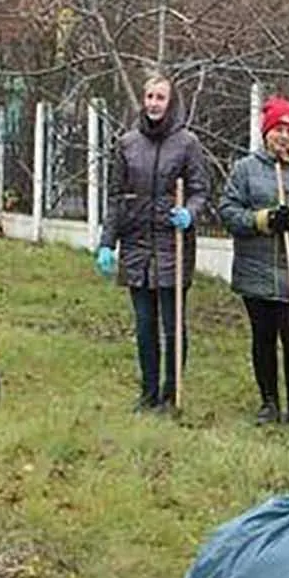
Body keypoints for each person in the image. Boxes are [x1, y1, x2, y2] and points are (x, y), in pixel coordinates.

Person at [215, 96, 289, 425]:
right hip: (255, 270)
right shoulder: (245, 170)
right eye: (277, 129)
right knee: (263, 338)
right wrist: (262, 220)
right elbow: (227, 211)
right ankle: (268, 401)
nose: (283, 136)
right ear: (266, 132)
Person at [95, 74, 211, 413]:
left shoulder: (187, 143)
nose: (153, 103)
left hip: (172, 244)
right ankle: (148, 392)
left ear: (171, 102)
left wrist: (189, 212)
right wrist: (107, 243)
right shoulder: (127, 143)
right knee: (145, 326)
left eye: (160, 97)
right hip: (136, 246)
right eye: (149, 96)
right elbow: (116, 197)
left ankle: (171, 392)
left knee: (173, 326)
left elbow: (200, 189)